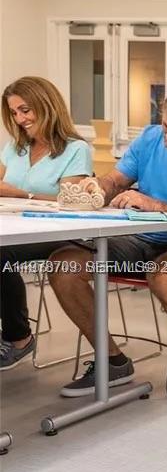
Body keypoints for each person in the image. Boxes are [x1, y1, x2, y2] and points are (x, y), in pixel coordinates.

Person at [46, 82, 167, 401]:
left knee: (164, 277)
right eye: (166, 126)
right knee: (64, 265)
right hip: (139, 240)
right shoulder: (150, 137)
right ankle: (114, 361)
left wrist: (157, 206)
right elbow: (115, 180)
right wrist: (98, 188)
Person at [0, 76, 93, 370]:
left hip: (59, 233)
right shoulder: (15, 147)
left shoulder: (76, 149)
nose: (20, 119)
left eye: (25, 110)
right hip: (15, 227)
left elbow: (70, 201)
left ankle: (19, 339)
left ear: (46, 105)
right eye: (14, 112)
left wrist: (22, 194)